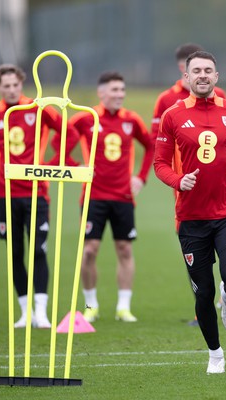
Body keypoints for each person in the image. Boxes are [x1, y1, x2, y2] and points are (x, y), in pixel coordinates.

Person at [154, 51, 226, 374]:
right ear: (186, 78)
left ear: (217, 76)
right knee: (202, 293)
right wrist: (178, 180)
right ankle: (216, 354)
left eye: (208, 71)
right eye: (196, 71)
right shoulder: (172, 115)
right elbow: (159, 163)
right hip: (190, 219)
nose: (202, 75)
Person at [0, 64, 79, 328]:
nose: (12, 90)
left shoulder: (37, 109)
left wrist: (52, 163)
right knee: (14, 253)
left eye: (16, 84)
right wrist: (0, 163)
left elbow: (69, 132)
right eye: (6, 86)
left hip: (37, 192)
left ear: (21, 84)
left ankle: (41, 312)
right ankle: (25, 312)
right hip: (6, 193)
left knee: (39, 249)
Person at [70, 71, 154, 322]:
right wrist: (75, 167)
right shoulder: (85, 118)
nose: (120, 95)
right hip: (93, 196)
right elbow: (59, 142)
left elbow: (151, 145)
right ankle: (90, 305)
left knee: (124, 249)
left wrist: (141, 176)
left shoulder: (132, 119)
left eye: (122, 90)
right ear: (101, 92)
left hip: (123, 197)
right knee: (90, 250)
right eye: (115, 90)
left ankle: (123, 307)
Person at [151, 42, 226, 142]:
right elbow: (156, 138)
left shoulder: (219, 94)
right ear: (183, 67)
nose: (202, 74)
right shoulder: (166, 98)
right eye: (196, 68)